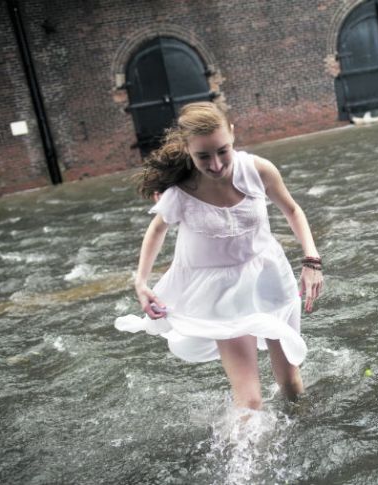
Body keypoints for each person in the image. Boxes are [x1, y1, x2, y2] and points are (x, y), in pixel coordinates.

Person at [115, 101, 323, 411]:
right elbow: (157, 230)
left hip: (270, 281)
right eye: (203, 156)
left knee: (291, 385)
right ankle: (248, 457)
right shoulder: (181, 193)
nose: (215, 165)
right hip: (222, 296)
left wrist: (311, 261)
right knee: (250, 400)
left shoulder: (258, 170)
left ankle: (301, 432)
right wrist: (141, 281)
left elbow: (292, 210)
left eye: (222, 151)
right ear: (187, 149)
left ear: (233, 136)